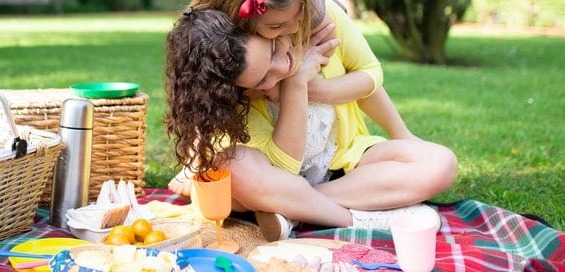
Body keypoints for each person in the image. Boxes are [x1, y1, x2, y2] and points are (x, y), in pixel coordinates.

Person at [168, 0, 458, 237]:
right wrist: (295, 84)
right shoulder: (230, 65)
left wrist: (307, 86)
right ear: (247, 24)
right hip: (274, 177)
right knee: (234, 169)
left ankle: (293, 211)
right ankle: (353, 219)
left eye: (274, 50)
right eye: (263, 78)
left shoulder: (312, 23)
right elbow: (284, 168)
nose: (282, 67)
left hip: (341, 162)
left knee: (440, 163)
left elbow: (370, 75)